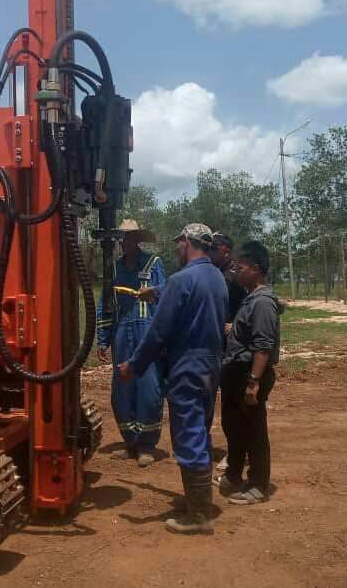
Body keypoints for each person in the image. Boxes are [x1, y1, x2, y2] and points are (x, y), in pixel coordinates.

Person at [118, 223, 227, 535]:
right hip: (210, 364)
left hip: (187, 366)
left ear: (188, 243)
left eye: (180, 243)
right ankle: (198, 501)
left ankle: (199, 516)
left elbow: (157, 333)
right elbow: (192, 295)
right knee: (201, 429)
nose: (177, 248)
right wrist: (160, 293)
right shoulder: (216, 277)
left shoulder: (181, 279)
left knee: (189, 433)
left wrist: (133, 367)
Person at [217, 240, 283, 505]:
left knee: (254, 429)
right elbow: (250, 332)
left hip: (249, 374)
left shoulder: (263, 302)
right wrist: (235, 329)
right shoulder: (251, 299)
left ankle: (258, 483)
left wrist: (253, 382)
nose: (236, 272)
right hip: (237, 373)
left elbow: (263, 347)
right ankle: (234, 474)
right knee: (235, 427)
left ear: (255, 269)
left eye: (240, 267)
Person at [96, 219, 166, 468]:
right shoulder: (114, 270)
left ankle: (147, 445)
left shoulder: (153, 264)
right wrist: (102, 340)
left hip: (147, 334)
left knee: (149, 388)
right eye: (123, 239)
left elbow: (165, 295)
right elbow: (105, 305)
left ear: (139, 239)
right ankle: (130, 442)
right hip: (121, 334)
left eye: (131, 238)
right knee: (123, 389)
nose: (126, 243)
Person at [210, 232, 247, 473]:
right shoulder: (216, 274)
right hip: (218, 347)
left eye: (215, 249)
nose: (211, 253)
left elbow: (257, 302)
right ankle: (234, 451)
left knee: (233, 406)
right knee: (222, 403)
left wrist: (235, 323)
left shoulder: (236, 277)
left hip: (234, 349)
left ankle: (237, 453)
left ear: (226, 251)